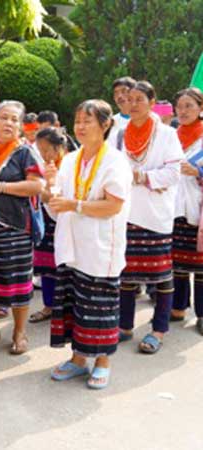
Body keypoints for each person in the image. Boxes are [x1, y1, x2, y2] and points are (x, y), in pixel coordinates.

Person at [46, 99, 132, 390]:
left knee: (99, 307)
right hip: (72, 244)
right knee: (76, 303)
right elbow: (59, 200)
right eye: (78, 121)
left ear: (105, 125)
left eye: (87, 121)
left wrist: (75, 205)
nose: (80, 127)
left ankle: (103, 362)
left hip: (99, 247)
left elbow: (113, 205)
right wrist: (50, 188)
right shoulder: (71, 159)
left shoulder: (116, 162)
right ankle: (78, 359)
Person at [118, 81, 183, 354]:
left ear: (152, 102)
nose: (132, 104)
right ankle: (124, 326)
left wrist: (142, 176)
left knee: (161, 275)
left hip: (155, 215)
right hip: (125, 213)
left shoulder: (167, 134)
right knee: (125, 274)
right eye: (128, 99)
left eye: (139, 99)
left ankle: (159, 329)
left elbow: (173, 174)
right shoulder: (119, 134)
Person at [0, 101, 44, 354]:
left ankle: (19, 331)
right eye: (4, 118)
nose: (8, 123)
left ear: (20, 126)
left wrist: (1, 187)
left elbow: (37, 186)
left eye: (14, 120)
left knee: (18, 282)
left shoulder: (24, 152)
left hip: (16, 228)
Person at [171, 87, 203, 333]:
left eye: (189, 106)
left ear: (201, 108)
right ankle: (178, 307)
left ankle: (202, 313)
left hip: (199, 209)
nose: (183, 111)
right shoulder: (171, 137)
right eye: (179, 107)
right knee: (177, 262)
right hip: (174, 208)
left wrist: (199, 171)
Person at [30, 127, 67, 323]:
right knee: (46, 266)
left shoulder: (68, 166)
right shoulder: (41, 166)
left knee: (63, 267)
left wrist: (46, 190)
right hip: (45, 220)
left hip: (63, 222)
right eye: (40, 150)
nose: (44, 154)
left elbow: (54, 196)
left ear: (58, 147)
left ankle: (64, 308)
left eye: (47, 150)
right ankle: (48, 306)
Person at [108, 76, 137, 148]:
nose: (119, 96)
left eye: (124, 91)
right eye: (116, 93)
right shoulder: (110, 123)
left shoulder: (150, 119)